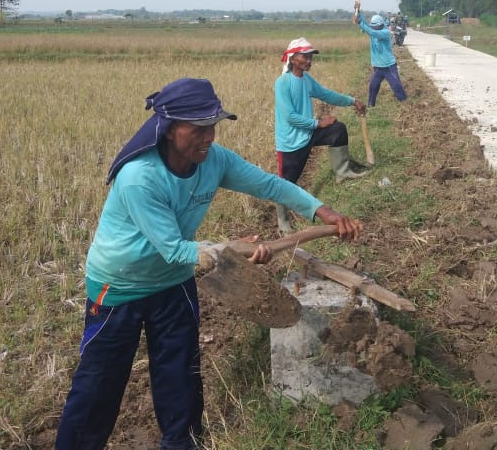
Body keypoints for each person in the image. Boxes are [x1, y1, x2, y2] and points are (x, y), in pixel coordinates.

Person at [55, 77, 362, 450]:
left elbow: (269, 185)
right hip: (119, 286)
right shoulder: (141, 177)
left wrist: (321, 210)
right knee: (100, 383)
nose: (208, 137)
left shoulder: (213, 160)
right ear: (169, 129)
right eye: (198, 128)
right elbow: (174, 249)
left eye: (212, 126)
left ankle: (181, 445)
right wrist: (230, 249)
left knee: (181, 374)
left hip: (173, 282)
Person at [274, 37, 370, 233]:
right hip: (291, 142)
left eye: (311, 57)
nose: (309, 61)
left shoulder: (306, 80)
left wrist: (353, 101)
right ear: (292, 58)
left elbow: (327, 94)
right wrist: (318, 123)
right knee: (285, 183)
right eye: (305, 57)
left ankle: (342, 172)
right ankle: (282, 220)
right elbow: (290, 117)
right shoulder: (282, 83)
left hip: (309, 134)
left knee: (337, 130)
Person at [353, 2, 408, 106]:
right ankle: (370, 106)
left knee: (396, 86)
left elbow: (371, 31)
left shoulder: (385, 32)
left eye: (376, 27)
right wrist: (357, 11)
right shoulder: (373, 31)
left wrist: (359, 22)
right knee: (373, 87)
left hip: (389, 67)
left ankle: (405, 103)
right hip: (378, 68)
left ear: (381, 25)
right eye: (372, 26)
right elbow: (364, 23)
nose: (374, 28)